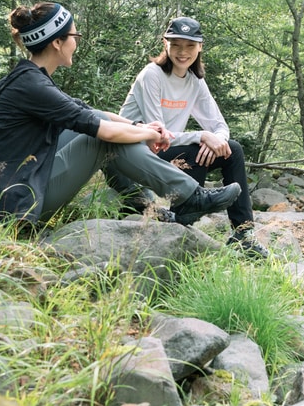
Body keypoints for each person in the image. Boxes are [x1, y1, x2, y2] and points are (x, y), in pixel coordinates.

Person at [0, 3, 240, 227]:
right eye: (73, 35)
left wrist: (140, 126)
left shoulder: (31, 79)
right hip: (16, 207)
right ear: (57, 42)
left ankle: (148, 204)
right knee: (102, 139)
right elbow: (103, 129)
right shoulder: (32, 85)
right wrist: (149, 134)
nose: (76, 42)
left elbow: (94, 112)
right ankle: (189, 197)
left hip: (21, 189)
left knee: (93, 128)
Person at [112, 16, 264, 256]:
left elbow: (219, 124)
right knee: (198, 147)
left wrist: (217, 140)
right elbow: (156, 134)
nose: (183, 52)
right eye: (176, 45)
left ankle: (243, 234)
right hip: (136, 155)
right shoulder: (152, 75)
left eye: (190, 46)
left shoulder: (195, 82)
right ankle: (185, 212)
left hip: (167, 153)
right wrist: (201, 136)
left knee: (231, 149)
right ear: (165, 44)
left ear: (200, 46)